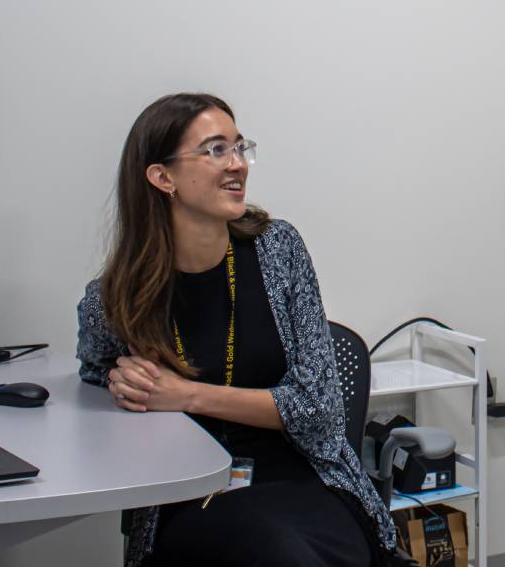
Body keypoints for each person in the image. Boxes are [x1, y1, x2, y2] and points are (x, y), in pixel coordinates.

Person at [76, 92, 398, 567]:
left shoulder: (279, 250)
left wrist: (186, 394)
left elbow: (320, 408)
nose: (238, 165)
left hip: (303, 479)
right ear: (162, 177)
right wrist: (120, 384)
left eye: (240, 147)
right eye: (215, 150)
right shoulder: (115, 297)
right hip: (190, 493)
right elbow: (95, 372)